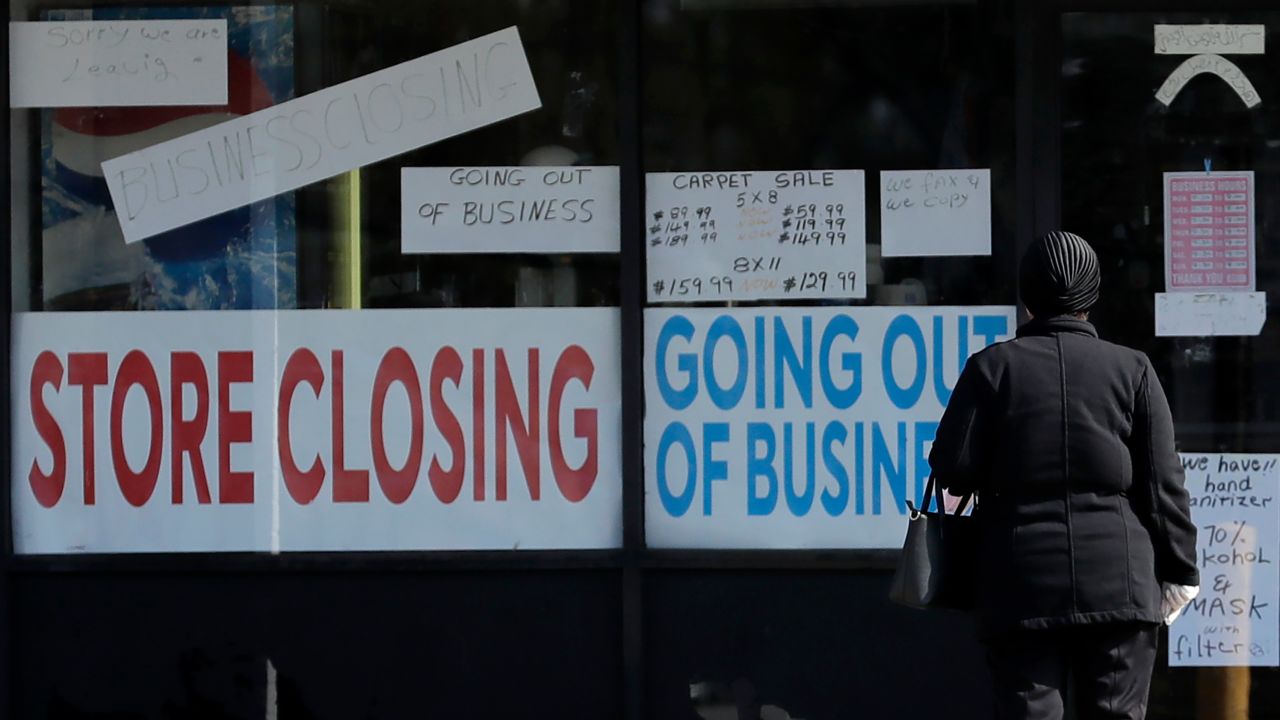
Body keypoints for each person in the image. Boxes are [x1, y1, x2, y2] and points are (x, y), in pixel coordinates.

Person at [928, 231, 1200, 720]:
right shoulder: (1133, 369)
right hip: (1121, 579)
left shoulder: (991, 368)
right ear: (1091, 297)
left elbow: (953, 470)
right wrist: (1181, 571)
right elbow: (1163, 486)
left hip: (1020, 579)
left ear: (1026, 295)